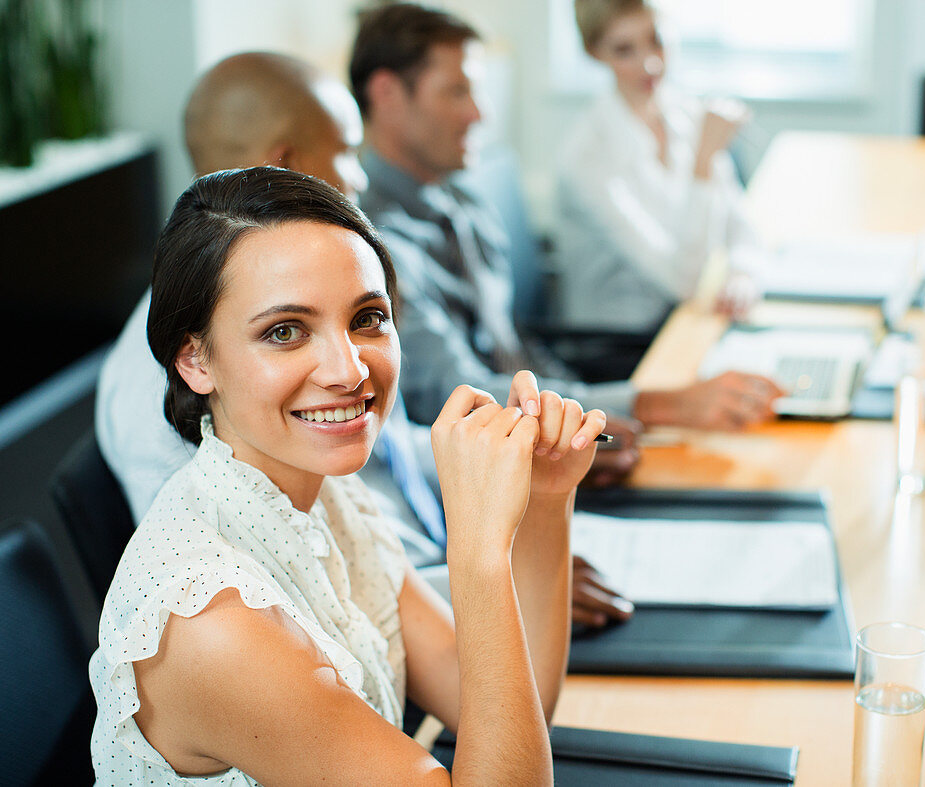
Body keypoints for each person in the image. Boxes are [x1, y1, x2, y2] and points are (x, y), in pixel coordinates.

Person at [90, 167, 598, 784]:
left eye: (367, 319)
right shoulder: (214, 624)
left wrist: (546, 498)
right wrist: (478, 549)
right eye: (285, 331)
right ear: (196, 361)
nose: (349, 369)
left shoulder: (323, 495)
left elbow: (510, 708)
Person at [95, 52, 632, 626]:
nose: (363, 176)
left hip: (421, 594)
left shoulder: (328, 323)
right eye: (348, 150)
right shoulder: (170, 378)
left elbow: (385, 462)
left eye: (368, 320)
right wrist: (490, 578)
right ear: (287, 166)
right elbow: (283, 595)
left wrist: (512, 457)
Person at [350, 3, 781, 435]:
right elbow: (461, 394)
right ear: (386, 94)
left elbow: (516, 353)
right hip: (496, 461)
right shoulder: (372, 250)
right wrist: (654, 406)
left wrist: (591, 410)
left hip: (552, 423)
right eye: (457, 92)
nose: (481, 114)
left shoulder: (463, 201)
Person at [556, 0, 766, 334]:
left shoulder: (684, 111)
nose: (651, 64)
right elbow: (684, 282)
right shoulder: (586, 157)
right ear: (595, 52)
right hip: (624, 341)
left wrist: (743, 273)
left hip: (684, 319)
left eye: (657, 40)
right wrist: (703, 161)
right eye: (625, 50)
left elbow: (739, 222)